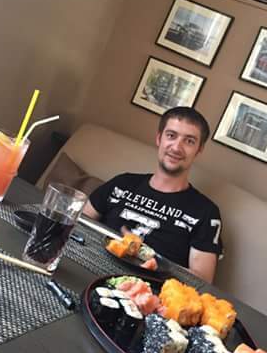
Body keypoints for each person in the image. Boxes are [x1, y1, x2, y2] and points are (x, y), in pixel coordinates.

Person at [83, 107, 222, 283]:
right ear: (159, 138)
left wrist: (149, 257)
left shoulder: (206, 212)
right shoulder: (122, 183)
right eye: (171, 135)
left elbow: (202, 280)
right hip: (87, 265)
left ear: (199, 150)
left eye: (189, 141)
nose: (176, 147)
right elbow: (78, 222)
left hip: (146, 288)